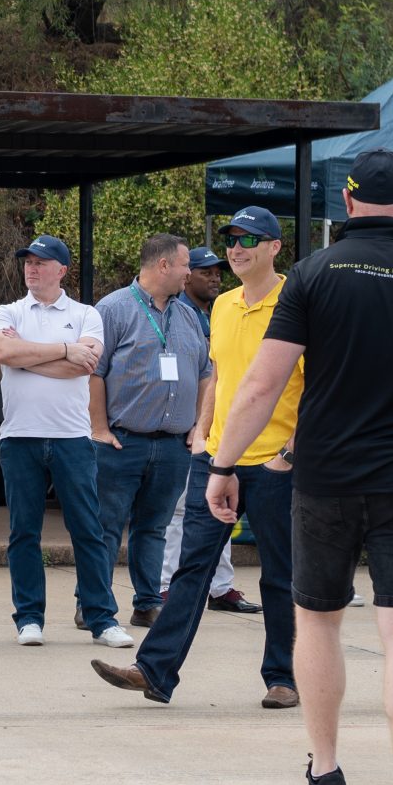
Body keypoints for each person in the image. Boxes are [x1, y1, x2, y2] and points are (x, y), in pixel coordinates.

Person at [204, 150, 393, 785]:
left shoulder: (312, 274)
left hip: (326, 476)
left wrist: (223, 463)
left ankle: (327, 773)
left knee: (319, 621)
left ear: (350, 201)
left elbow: (261, 384)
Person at [93, 206, 305, 708]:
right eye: (231, 239)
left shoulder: (296, 304)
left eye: (250, 239)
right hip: (218, 459)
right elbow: (217, 373)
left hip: (276, 463)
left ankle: (283, 677)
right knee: (192, 568)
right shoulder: (224, 305)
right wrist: (204, 432)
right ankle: (154, 671)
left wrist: (291, 453)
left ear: (275, 247)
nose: (236, 248)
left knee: (280, 575)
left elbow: (320, 388)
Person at [0, 234, 117, 646]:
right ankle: (29, 618)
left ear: (61, 270)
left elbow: (85, 367)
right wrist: (62, 350)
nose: (31, 268)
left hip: (72, 439)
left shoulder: (86, 314)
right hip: (20, 437)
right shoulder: (7, 310)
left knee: (88, 530)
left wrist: (29, 358)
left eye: (41, 262)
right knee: (23, 532)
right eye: (27, 261)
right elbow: (4, 353)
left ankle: (102, 619)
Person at [92, 235, 214, 628]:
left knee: (154, 528)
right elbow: (94, 373)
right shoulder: (112, 309)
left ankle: (146, 603)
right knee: (106, 527)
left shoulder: (189, 314)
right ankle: (93, 604)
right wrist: (98, 428)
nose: (189, 273)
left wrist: (198, 426)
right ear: (163, 266)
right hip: (121, 441)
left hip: (173, 445)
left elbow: (206, 374)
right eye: (184, 265)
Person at [156, 242, 255, 615]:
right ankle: (167, 586)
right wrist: (195, 425)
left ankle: (220, 587)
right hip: (189, 431)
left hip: (223, 430)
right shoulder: (175, 314)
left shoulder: (224, 310)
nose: (214, 277)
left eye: (217, 272)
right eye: (204, 271)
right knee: (181, 511)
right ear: (185, 276)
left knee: (224, 509)